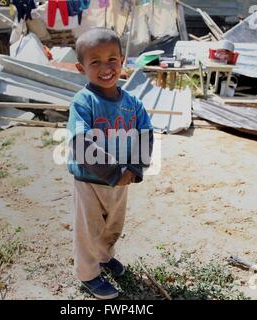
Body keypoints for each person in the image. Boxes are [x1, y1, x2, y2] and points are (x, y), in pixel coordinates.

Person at [66, 28, 154, 300]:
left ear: (123, 61)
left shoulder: (132, 103)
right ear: (82, 67)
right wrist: (115, 171)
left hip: (122, 180)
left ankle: (104, 257)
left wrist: (134, 169)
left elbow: (145, 134)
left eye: (112, 59)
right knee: (89, 229)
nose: (106, 68)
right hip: (90, 181)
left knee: (113, 226)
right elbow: (80, 143)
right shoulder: (84, 102)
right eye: (96, 62)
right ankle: (88, 273)